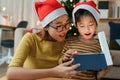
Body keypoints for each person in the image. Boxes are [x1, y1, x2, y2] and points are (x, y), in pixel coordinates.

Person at [6, 0, 80, 80]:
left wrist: (66, 60)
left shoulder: (64, 42)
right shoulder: (31, 39)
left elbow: (62, 67)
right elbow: (11, 73)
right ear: (46, 27)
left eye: (66, 24)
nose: (65, 30)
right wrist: (53, 71)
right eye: (59, 26)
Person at [59, 1, 109, 80]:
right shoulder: (70, 42)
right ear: (76, 26)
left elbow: (101, 68)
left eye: (91, 25)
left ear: (96, 24)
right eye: (82, 26)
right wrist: (64, 58)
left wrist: (102, 67)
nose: (87, 29)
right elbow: (60, 62)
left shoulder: (100, 45)